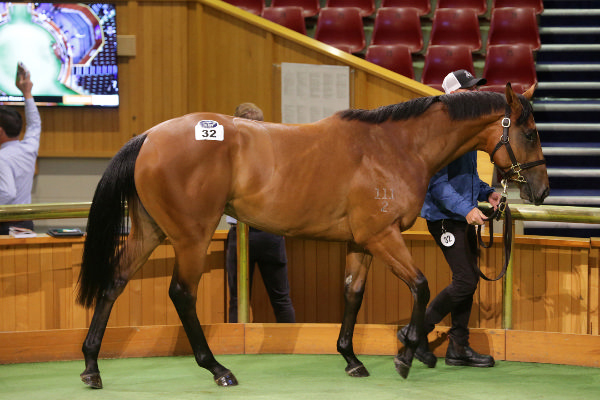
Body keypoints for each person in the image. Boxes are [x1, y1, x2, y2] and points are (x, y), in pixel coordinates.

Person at [402, 69, 501, 368]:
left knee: (467, 281)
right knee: (466, 279)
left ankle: (458, 348)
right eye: (467, 90)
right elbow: (437, 184)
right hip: (445, 217)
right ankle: (415, 331)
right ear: (450, 95)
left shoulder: (463, 127)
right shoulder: (439, 130)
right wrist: (467, 210)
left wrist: (488, 192)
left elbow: (467, 177)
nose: (473, 94)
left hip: (460, 216)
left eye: (474, 90)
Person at [226, 102, 295, 323]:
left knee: (237, 299)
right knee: (281, 299)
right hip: (271, 232)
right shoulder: (278, 156)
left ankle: (236, 347)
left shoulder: (228, 157)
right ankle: (290, 347)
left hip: (240, 234)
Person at [0, 63, 41, 235]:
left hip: (4, 226)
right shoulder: (28, 148)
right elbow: (34, 124)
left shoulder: (2, 158)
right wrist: (27, 93)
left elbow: (7, 193)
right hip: (25, 223)